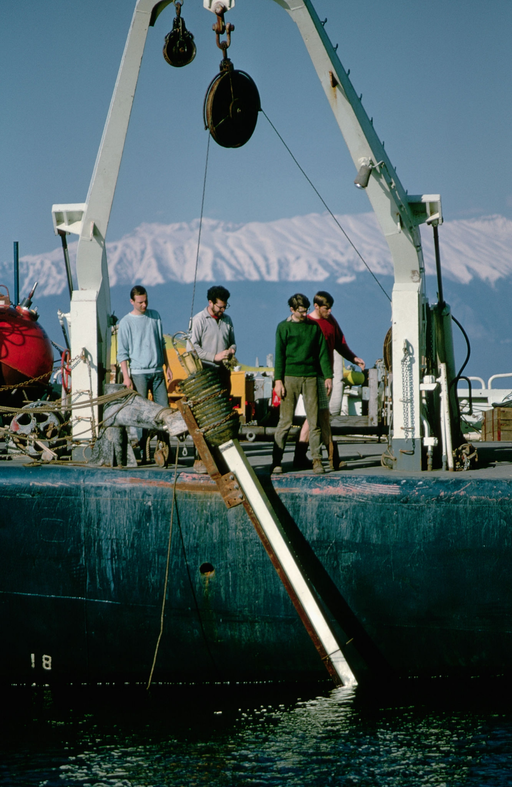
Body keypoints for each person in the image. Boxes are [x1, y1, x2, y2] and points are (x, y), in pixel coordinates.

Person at [296, 290, 365, 471]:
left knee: (316, 417)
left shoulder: (331, 321)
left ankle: (302, 455)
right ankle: (332, 458)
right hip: (313, 376)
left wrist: (353, 358)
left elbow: (339, 343)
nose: (330, 311)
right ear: (317, 306)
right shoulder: (309, 323)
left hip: (326, 376)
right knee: (320, 416)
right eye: (326, 308)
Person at [272, 293, 332, 476]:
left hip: (312, 378)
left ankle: (316, 460)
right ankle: (277, 462)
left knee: (314, 421)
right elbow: (279, 355)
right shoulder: (283, 328)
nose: (305, 314)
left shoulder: (314, 328)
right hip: (290, 378)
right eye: (301, 311)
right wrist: (278, 381)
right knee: (285, 422)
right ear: (292, 310)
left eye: (306, 311)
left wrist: (328, 376)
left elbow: (322, 353)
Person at [117, 285, 172, 459]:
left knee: (165, 411)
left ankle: (164, 448)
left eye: (146, 301)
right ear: (132, 302)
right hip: (138, 373)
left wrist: (167, 366)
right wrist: (127, 377)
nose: (144, 305)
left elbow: (162, 343)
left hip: (157, 371)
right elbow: (122, 353)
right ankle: (143, 450)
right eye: (140, 302)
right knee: (141, 414)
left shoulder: (155, 316)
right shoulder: (125, 322)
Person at [190, 285, 236, 472]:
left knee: (222, 413)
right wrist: (213, 356)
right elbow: (192, 349)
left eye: (225, 307)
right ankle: (200, 457)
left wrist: (231, 350)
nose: (222, 310)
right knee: (205, 415)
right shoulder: (199, 320)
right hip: (205, 373)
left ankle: (221, 456)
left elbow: (232, 341)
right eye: (219, 307)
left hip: (223, 372)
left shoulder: (227, 320)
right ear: (210, 303)